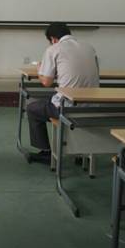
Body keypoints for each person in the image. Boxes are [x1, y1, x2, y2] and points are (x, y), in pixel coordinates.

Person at [26, 22, 99, 164]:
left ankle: (46, 152)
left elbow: (46, 82)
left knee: (33, 109)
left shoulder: (54, 49)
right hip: (92, 105)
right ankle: (81, 152)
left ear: (53, 39)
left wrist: (40, 69)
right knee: (55, 99)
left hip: (67, 106)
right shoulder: (89, 47)